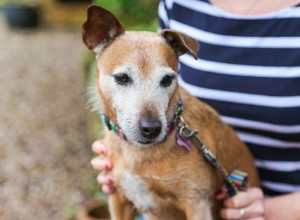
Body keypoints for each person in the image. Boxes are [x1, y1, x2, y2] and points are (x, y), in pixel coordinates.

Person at [91, 0, 300, 219]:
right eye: (123, 78)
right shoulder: (179, 4)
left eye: (166, 81)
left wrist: (273, 210)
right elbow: (146, 60)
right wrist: (130, 178)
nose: (149, 119)